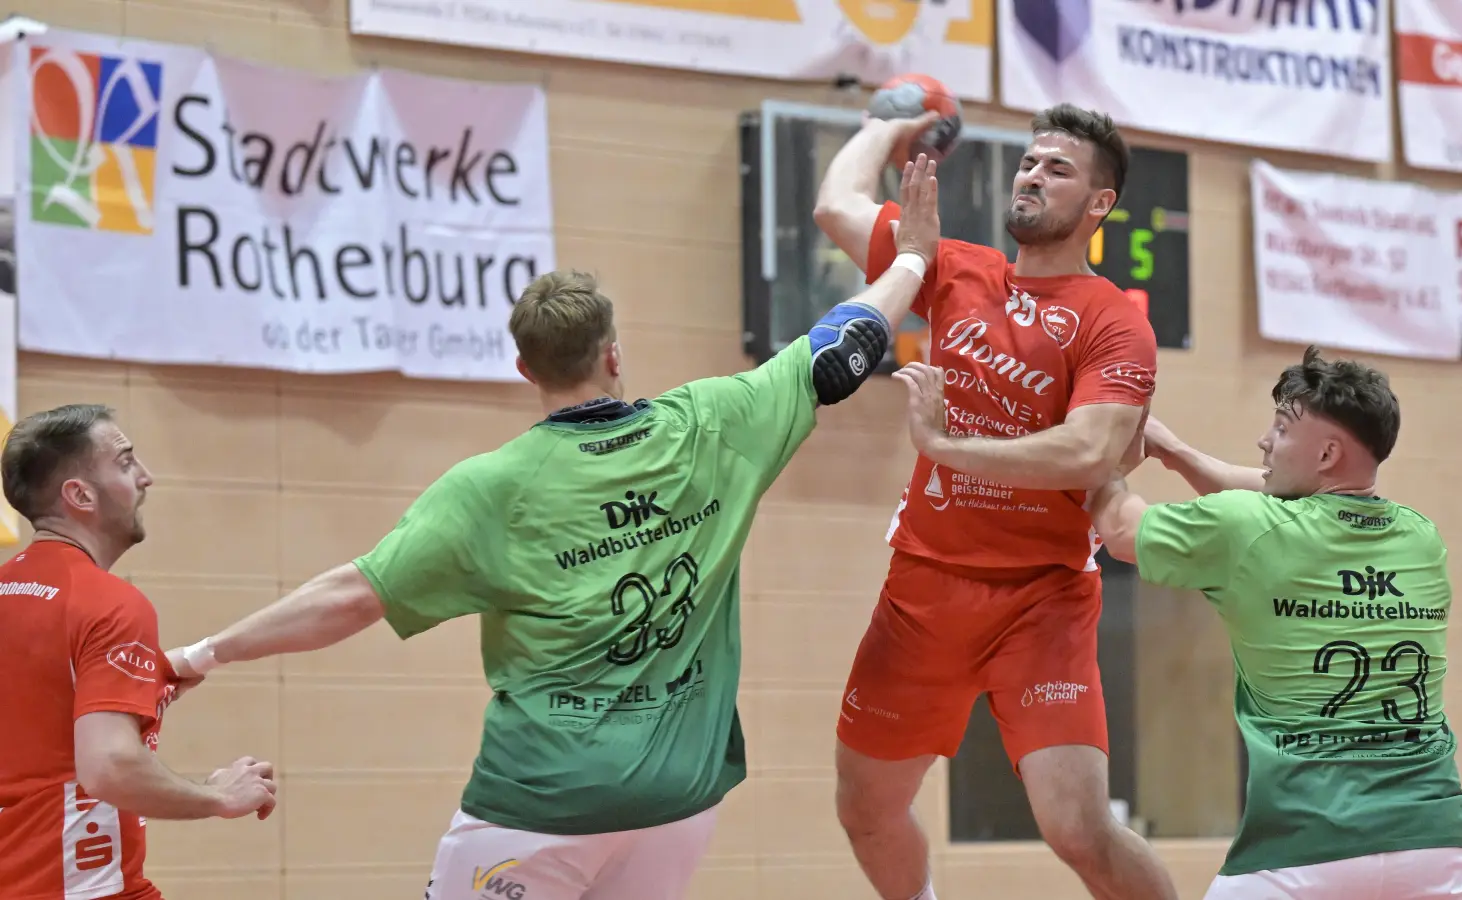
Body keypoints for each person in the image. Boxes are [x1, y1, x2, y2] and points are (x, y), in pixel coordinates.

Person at [163, 157, 946, 900]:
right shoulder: (713, 423)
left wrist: (204, 653)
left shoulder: (491, 489)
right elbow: (843, 348)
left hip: (540, 804)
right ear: (613, 353)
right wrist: (911, 260)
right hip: (676, 802)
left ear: (524, 370)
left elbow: (350, 598)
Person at [813, 103, 1174, 900]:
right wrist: (888, 121)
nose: (1033, 175)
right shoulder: (954, 268)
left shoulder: (1112, 319)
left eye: (1058, 169)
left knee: (1079, 828)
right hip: (924, 591)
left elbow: (1086, 450)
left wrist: (949, 450)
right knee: (865, 809)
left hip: (1039, 601)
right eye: (1028, 162)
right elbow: (835, 203)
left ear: (1099, 204)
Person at [1081, 346, 1462, 899]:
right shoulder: (1422, 538)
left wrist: (1097, 453)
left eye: (1279, 427)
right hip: (1442, 853)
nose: (1264, 441)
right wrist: (1176, 452)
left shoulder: (1249, 530)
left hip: (1306, 853)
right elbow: (1277, 501)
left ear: (1326, 453)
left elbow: (1122, 530)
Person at [0, 403, 279, 900]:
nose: (146, 477)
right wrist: (217, 796)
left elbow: (41, 711)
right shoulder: (108, 603)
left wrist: (154, 674)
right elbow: (108, 765)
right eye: (126, 462)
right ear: (80, 494)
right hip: (82, 887)